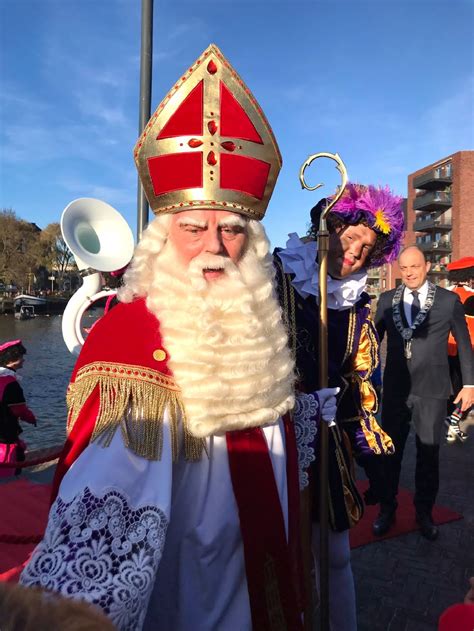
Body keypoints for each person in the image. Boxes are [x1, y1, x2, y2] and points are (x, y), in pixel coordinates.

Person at [19, 44, 337, 631]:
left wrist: (302, 420)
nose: (215, 247)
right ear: (163, 238)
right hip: (189, 597)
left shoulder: (259, 322)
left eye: (232, 230)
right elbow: (108, 521)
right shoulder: (129, 344)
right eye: (194, 228)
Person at [274, 182, 405, 631]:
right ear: (330, 227)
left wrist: (347, 417)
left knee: (334, 555)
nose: (355, 253)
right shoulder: (277, 276)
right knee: (275, 554)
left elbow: (362, 381)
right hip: (274, 437)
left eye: (366, 248)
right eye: (351, 238)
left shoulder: (357, 308)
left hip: (327, 443)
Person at [372, 245, 473, 540]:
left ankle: (424, 513)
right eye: (404, 268)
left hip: (432, 390)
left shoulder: (448, 300)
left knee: (428, 454)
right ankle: (387, 509)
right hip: (395, 390)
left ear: (427, 266)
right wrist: (358, 372)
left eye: (415, 266)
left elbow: (464, 345)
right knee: (390, 451)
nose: (409, 273)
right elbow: (372, 339)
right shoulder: (387, 300)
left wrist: (469, 384)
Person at [445, 257, 474, 442]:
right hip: (469, 349)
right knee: (468, 389)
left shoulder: (449, 293)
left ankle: (452, 423)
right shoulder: (470, 297)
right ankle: (453, 422)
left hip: (448, 349)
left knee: (454, 390)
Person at [0, 339, 37, 478]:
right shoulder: (10, 383)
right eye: (22, 357)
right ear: (14, 359)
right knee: (9, 469)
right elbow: (19, 409)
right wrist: (31, 418)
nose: (23, 361)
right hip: (4, 432)